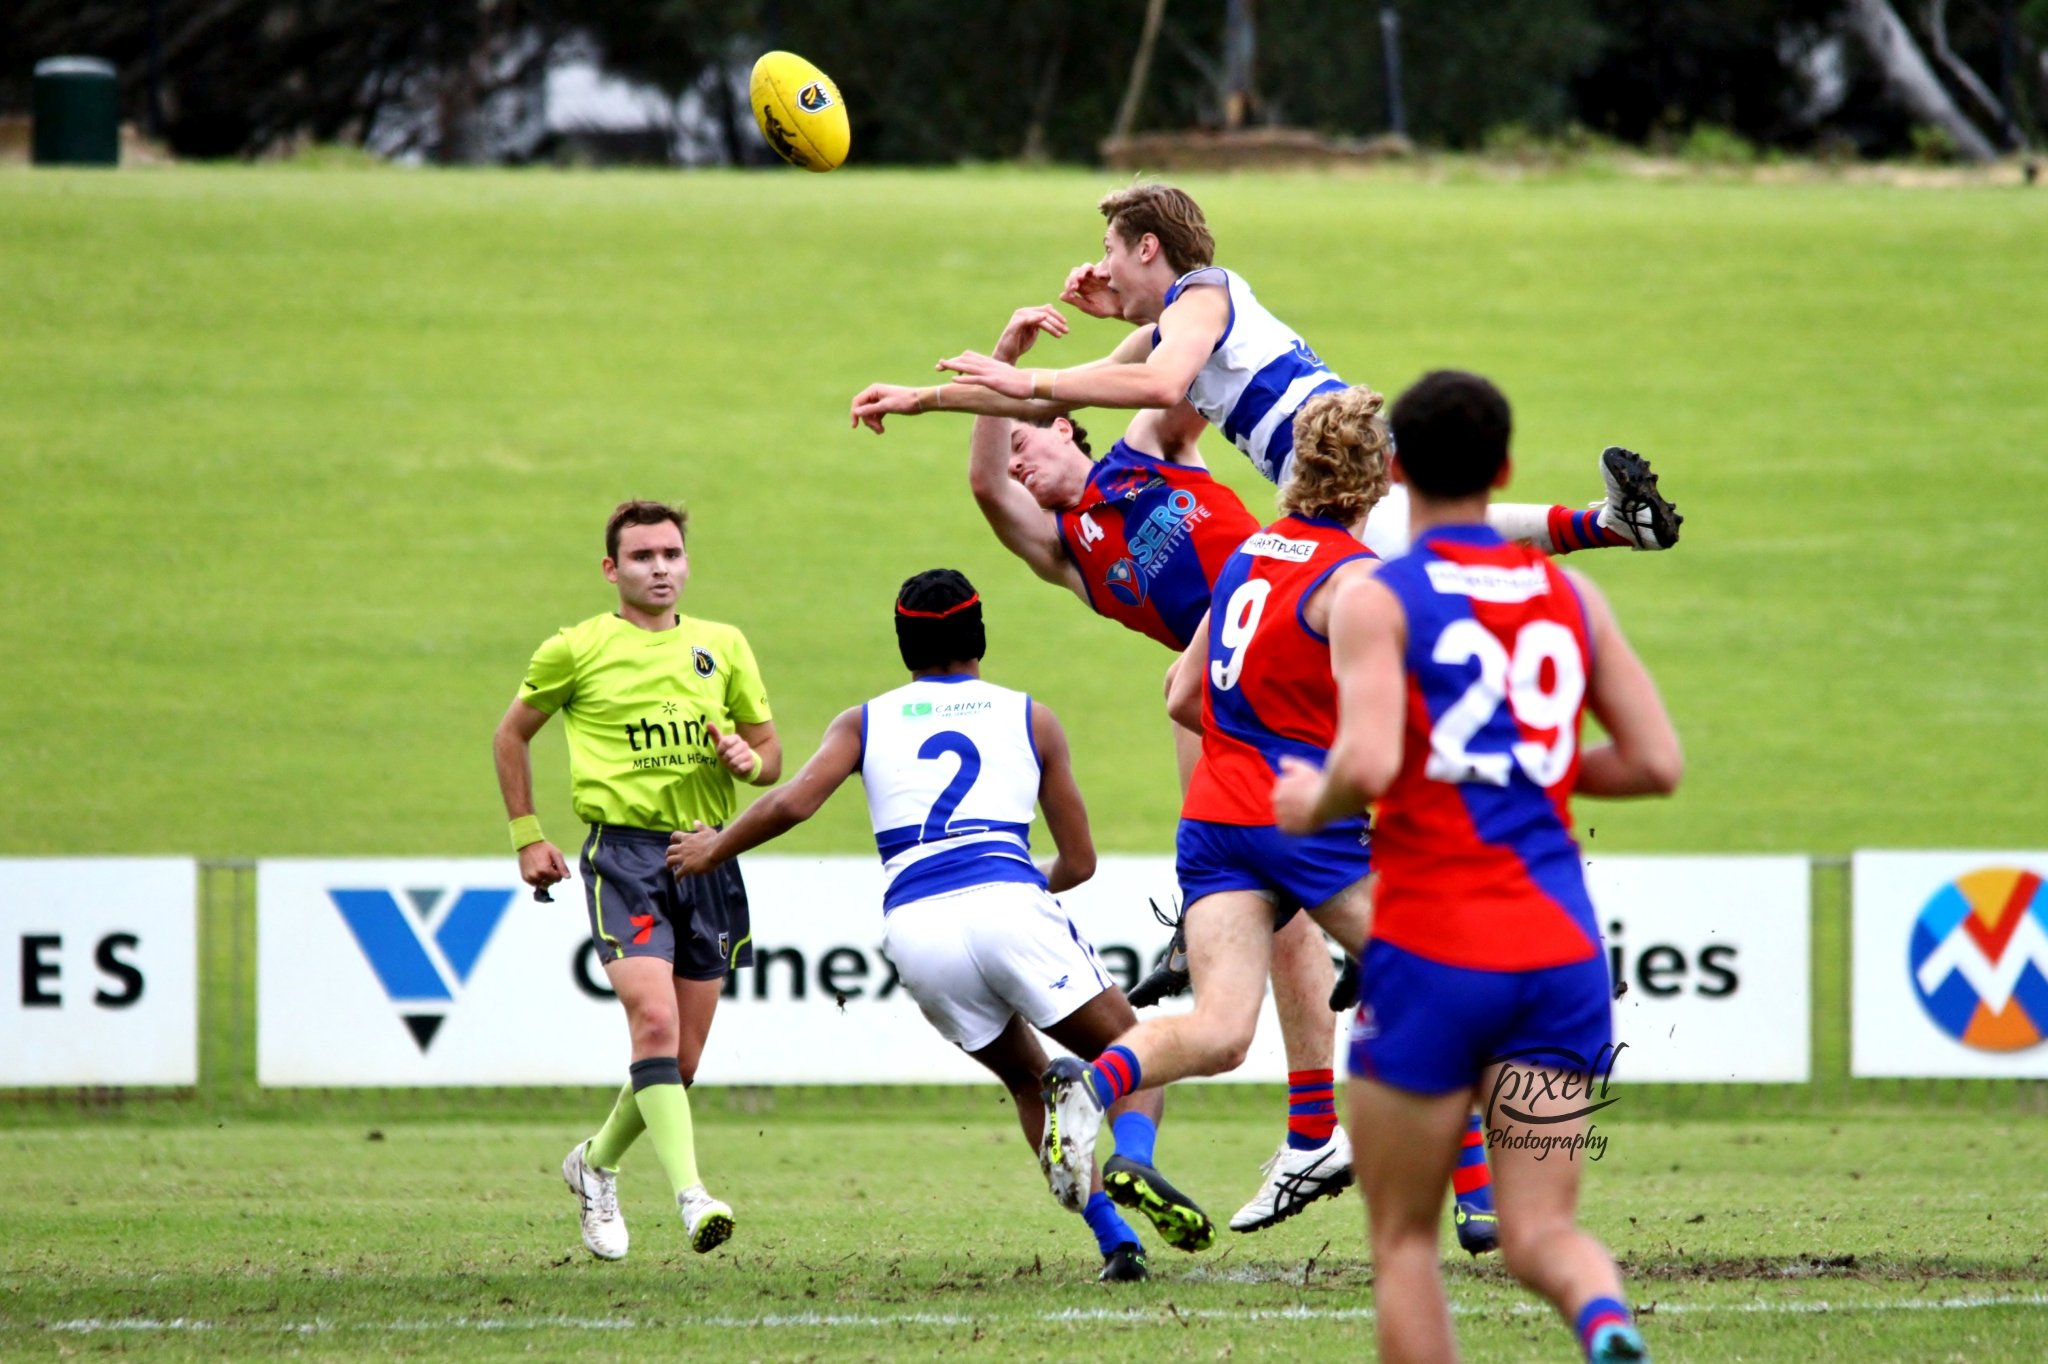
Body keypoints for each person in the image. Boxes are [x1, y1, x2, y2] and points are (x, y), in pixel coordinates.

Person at [1270, 370, 1682, 1364]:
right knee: (1540, 1231)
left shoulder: (1381, 595)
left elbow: (1366, 761)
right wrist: (1524, 769)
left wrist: (1305, 801)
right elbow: (1653, 762)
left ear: (1396, 470)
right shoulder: (1567, 593)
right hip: (1556, 953)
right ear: (1501, 468)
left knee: (1402, 1240)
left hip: (1434, 949)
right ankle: (1602, 1318)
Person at [666, 569, 1214, 1282]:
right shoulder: (1030, 717)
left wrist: (713, 847)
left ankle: (1115, 1240)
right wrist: (1007, 890)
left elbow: (794, 802)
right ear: (979, 634)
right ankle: (1133, 1157)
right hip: (1010, 904)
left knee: (1028, 1080)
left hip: (915, 928)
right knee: (1139, 1049)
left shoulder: (864, 721)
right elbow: (1079, 863)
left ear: (905, 646)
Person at [849, 181, 1682, 561]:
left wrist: (1030, 383)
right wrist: (922, 397)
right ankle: (1609, 526)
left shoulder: (1202, 293)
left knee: (1395, 574)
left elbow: (1157, 389)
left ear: (1148, 248)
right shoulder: (1173, 320)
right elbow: (1107, 377)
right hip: (1344, 452)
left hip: (1331, 454)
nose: (1097, 266)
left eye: (1110, 249)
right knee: (1433, 545)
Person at [1033, 384, 1394, 1224]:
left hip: (1216, 823)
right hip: (1303, 823)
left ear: (1297, 471)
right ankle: (1486, 1199)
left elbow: (1182, 693)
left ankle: (1087, 1088)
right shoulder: (1359, 579)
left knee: (1221, 1030)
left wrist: (1246, 740)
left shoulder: (1249, 555)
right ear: (1375, 485)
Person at [492, 500, 783, 1261]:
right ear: (611, 568)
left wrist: (749, 764)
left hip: (709, 856)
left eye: (672, 554)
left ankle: (594, 1164)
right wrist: (529, 836)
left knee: (678, 1064)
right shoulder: (575, 649)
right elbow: (511, 733)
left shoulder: (723, 645)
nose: (660, 568)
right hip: (624, 859)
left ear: (686, 562)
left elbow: (769, 754)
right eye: (643, 556)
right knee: (652, 1027)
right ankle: (693, 1197)